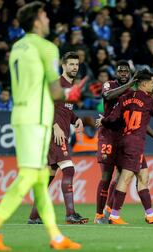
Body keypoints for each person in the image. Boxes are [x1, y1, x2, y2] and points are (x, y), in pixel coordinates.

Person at [0, 2, 82, 250]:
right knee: (29, 175)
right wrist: (73, 93)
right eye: (45, 15)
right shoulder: (46, 47)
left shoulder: (17, 47)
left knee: (39, 177)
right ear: (37, 21)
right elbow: (56, 91)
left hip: (22, 115)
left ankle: (56, 237)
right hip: (36, 119)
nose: (48, 19)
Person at [94, 61, 153, 224]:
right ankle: (110, 214)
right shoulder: (113, 87)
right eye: (152, 82)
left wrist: (104, 120)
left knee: (142, 176)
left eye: (126, 71)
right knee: (118, 177)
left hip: (124, 138)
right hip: (127, 141)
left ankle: (149, 213)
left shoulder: (126, 97)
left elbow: (115, 116)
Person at [28, 51, 88, 225]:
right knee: (68, 170)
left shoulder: (71, 87)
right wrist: (54, 125)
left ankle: (34, 216)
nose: (74, 67)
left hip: (60, 133)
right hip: (53, 134)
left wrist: (75, 119)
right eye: (71, 64)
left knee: (49, 175)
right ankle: (70, 214)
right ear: (63, 66)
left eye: (76, 64)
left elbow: (65, 110)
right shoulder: (56, 84)